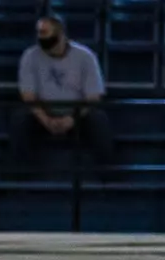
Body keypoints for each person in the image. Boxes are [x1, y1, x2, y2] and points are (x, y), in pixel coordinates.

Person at [12, 14, 113, 172]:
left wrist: (71, 119)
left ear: (60, 34)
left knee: (99, 119)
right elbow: (28, 96)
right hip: (43, 113)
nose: (40, 37)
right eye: (38, 32)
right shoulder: (30, 56)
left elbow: (93, 97)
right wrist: (45, 119)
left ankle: (108, 178)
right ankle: (18, 178)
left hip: (78, 114)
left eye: (45, 32)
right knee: (20, 119)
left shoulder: (85, 57)